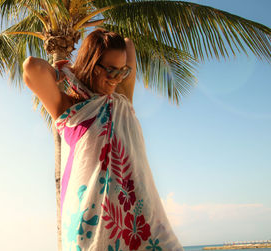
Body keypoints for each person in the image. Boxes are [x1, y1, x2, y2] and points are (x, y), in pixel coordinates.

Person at [23, 28, 184, 251]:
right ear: (91, 64)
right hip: (91, 232)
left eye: (122, 71)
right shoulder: (70, 110)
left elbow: (128, 44)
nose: (116, 79)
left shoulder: (122, 98)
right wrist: (68, 72)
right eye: (109, 70)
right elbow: (32, 67)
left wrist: (110, 58)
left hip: (143, 225)